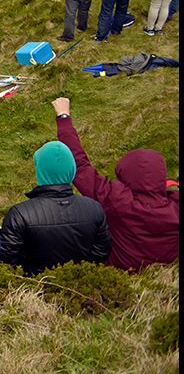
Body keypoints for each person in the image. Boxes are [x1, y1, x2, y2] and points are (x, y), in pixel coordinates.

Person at [52, 97, 178, 271]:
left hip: (119, 276)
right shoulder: (175, 208)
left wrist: (64, 117)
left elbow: (79, 166)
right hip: (163, 278)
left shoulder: (118, 201)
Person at [0, 141, 112, 275]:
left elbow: (6, 260)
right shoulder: (94, 209)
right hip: (81, 288)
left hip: (35, 288)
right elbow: (101, 254)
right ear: (72, 170)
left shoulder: (19, 214)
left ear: (40, 170)